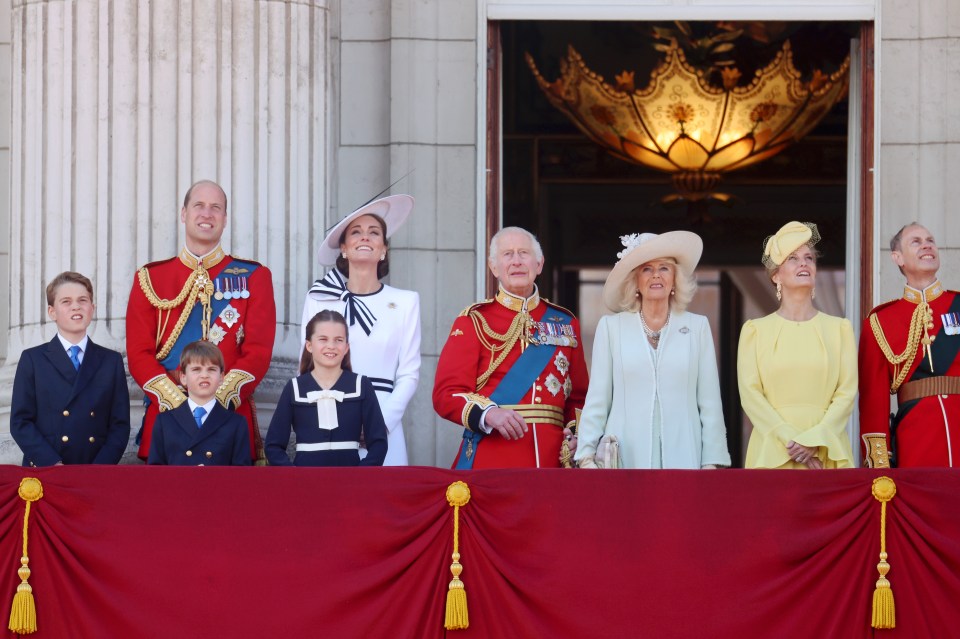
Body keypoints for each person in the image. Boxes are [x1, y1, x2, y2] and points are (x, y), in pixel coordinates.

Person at [126, 180, 276, 462]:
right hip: (166, 420)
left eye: (215, 208)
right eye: (199, 206)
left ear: (225, 219)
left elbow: (257, 352)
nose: (207, 214)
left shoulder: (255, 277)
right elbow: (138, 353)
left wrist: (217, 401)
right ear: (184, 214)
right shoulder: (150, 278)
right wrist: (178, 403)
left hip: (229, 420)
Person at [433, 226, 588, 469]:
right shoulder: (473, 320)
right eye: (507, 254)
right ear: (494, 267)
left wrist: (575, 434)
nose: (516, 261)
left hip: (553, 459)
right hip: (494, 454)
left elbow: (579, 396)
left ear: (539, 264)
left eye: (524, 253)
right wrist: (489, 414)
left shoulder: (566, 323)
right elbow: (446, 394)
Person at [575, 232, 730, 469]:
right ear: (635, 280)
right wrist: (586, 455)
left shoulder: (697, 327)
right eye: (646, 269)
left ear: (675, 278)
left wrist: (712, 463)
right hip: (625, 462)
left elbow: (709, 404)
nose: (656, 275)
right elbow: (598, 398)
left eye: (664, 268)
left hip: (685, 459)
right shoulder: (611, 328)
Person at [301, 195, 420, 466]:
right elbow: (306, 365)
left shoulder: (406, 301)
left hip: (384, 420)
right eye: (356, 232)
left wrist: (380, 424)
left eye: (374, 233)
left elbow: (409, 373)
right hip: (328, 416)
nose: (364, 237)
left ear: (383, 249)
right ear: (343, 247)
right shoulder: (319, 298)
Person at [738, 221, 856, 469]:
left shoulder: (840, 329)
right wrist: (791, 441)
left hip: (826, 450)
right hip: (773, 450)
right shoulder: (755, 331)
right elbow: (750, 396)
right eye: (793, 258)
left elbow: (846, 393)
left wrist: (816, 440)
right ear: (776, 275)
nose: (804, 263)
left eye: (809, 258)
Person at [859, 222, 960, 467]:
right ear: (897, 257)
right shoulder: (881, 321)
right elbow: (874, 401)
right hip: (916, 443)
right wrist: (880, 464)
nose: (927, 245)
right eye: (916, 241)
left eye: (930, 240)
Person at [10, 272, 131, 466]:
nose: (76, 306)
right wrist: (51, 463)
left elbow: (120, 425)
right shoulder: (33, 359)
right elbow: (20, 422)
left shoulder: (111, 361)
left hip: (94, 471)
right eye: (66, 301)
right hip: (47, 470)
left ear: (92, 308)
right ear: (52, 312)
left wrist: (99, 469)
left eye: (83, 300)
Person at [266, 310, 388, 466]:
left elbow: (379, 443)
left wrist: (361, 474)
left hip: (351, 483)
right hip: (306, 483)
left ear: (346, 347)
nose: (331, 346)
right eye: (323, 339)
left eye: (339, 340)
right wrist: (293, 476)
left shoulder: (361, 385)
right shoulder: (294, 388)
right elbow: (273, 445)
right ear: (309, 345)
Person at [147, 341, 251, 465]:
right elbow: (156, 474)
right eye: (196, 369)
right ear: (183, 377)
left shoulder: (236, 424)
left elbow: (241, 477)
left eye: (211, 369)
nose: (204, 375)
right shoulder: (165, 422)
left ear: (222, 377)